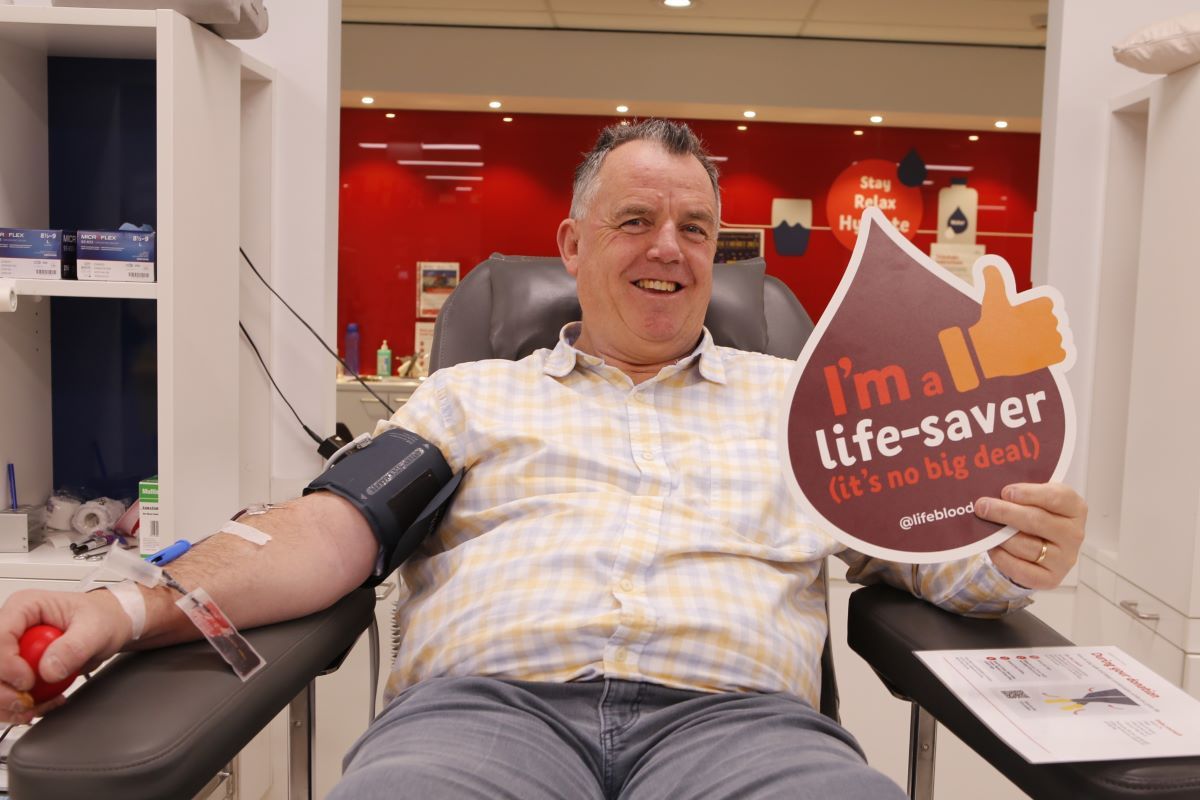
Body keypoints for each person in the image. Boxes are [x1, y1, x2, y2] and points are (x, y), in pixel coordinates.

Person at [0, 119, 1086, 799]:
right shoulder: (474, 394)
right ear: (570, 247)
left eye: (697, 230)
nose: (669, 248)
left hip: (746, 733)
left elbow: (925, 544)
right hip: (481, 722)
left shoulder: (801, 403)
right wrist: (129, 604)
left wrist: (1014, 547)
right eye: (636, 220)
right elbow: (330, 526)